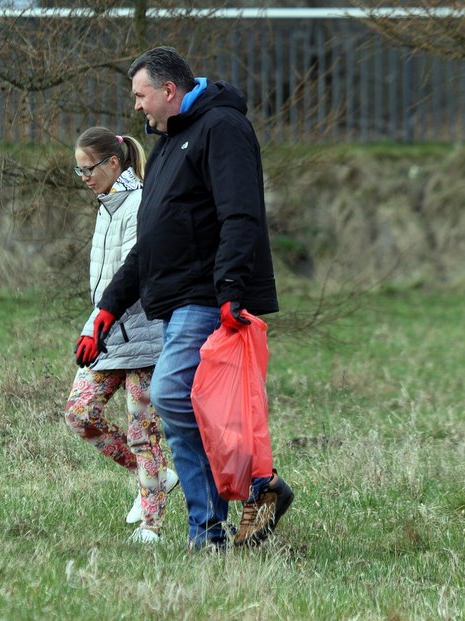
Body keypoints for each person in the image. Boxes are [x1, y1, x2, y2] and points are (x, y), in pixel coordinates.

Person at [84, 47, 293, 550]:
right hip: (176, 298)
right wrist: (109, 307)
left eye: (141, 95)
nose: (137, 107)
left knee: (172, 392)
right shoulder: (167, 149)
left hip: (206, 294)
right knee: (192, 403)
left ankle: (210, 526)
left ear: (169, 90)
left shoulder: (222, 129)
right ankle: (251, 493)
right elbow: (149, 245)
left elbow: (240, 215)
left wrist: (230, 289)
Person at [65, 126, 179, 544]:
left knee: (141, 430)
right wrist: (96, 325)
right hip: (107, 333)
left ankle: (152, 525)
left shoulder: (141, 203)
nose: (85, 178)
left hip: (144, 336)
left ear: (114, 163)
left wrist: (105, 321)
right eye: (79, 172)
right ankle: (156, 476)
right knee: (79, 414)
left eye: (88, 169)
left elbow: (136, 274)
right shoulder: (105, 204)